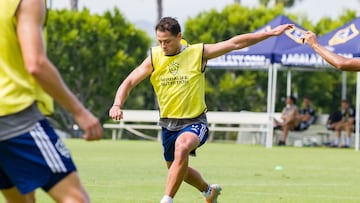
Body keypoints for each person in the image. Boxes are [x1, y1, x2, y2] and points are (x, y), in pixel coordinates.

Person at [109, 16, 294, 203]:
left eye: (167, 41)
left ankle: (167, 200)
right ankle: (208, 191)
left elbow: (235, 43)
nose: (163, 46)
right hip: (168, 124)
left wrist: (270, 33)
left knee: (182, 149)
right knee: (177, 168)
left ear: (179, 36)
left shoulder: (198, 52)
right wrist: (117, 104)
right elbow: (130, 81)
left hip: (195, 122)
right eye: (160, 41)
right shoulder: (154, 57)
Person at [0, 0, 103, 202]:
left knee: (22, 200)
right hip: (15, 114)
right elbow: (36, 64)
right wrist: (79, 112)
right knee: (75, 198)